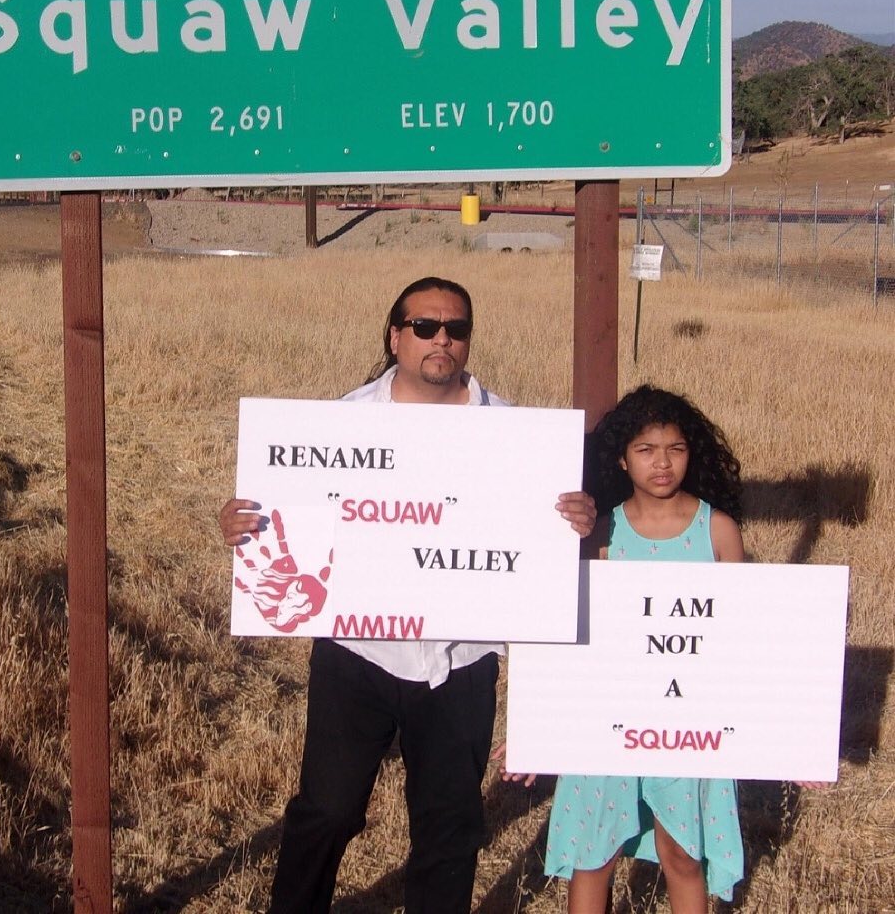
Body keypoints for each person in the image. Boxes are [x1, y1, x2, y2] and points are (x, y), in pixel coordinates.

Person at [219, 276, 595, 914]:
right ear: (396, 337)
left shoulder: (516, 435)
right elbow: (288, 522)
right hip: (357, 653)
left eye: (456, 329)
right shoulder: (341, 423)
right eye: (425, 327)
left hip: (462, 661)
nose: (441, 340)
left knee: (449, 831)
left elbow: (540, 548)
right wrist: (244, 524)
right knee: (327, 813)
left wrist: (577, 524)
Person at [503, 384, 746, 913]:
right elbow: (570, 637)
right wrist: (536, 730)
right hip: (605, 720)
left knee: (683, 854)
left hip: (686, 722)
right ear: (621, 458)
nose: (662, 464)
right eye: (646, 450)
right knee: (594, 855)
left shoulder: (719, 532)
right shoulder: (603, 533)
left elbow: (739, 639)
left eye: (675, 450)